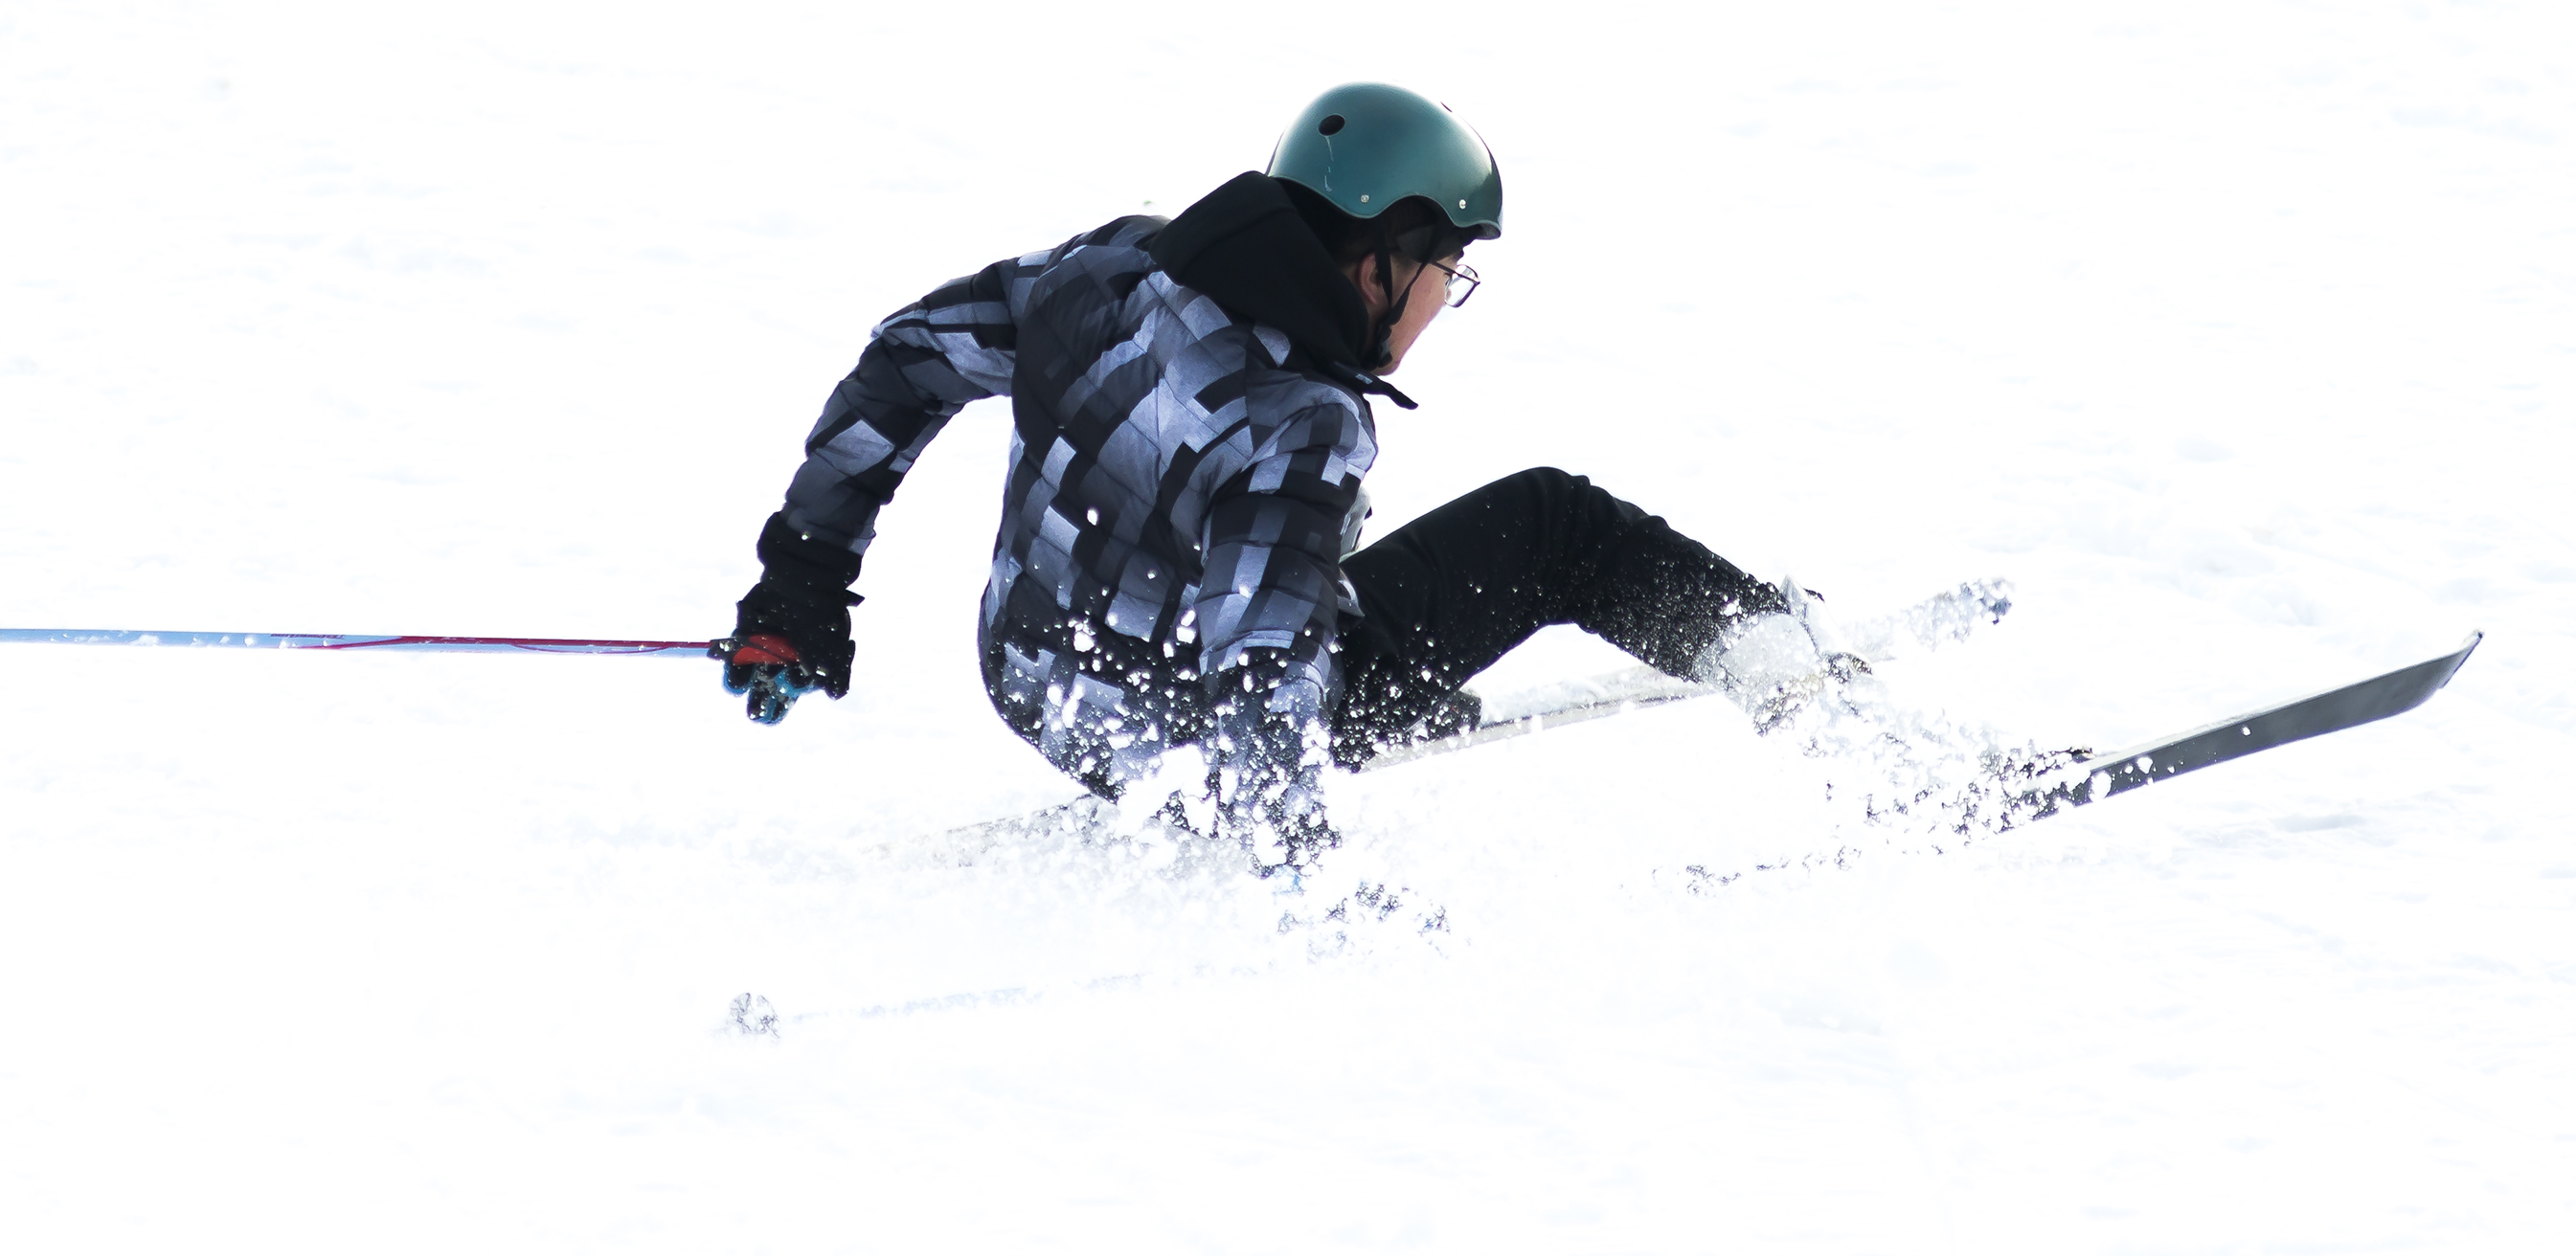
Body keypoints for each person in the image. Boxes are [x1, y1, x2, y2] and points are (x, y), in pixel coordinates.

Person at [720, 83, 1847, 872]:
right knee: (1558, 525)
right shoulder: (1297, 421)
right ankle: (1801, 687)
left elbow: (905, 360)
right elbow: (1262, 667)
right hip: (1190, 735)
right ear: (1376, 259)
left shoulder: (1105, 267)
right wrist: (1304, 875)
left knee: (1260, 519)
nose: (1439, 302)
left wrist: (801, 579)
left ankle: (1351, 681)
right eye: (1444, 269)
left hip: (1024, 667)